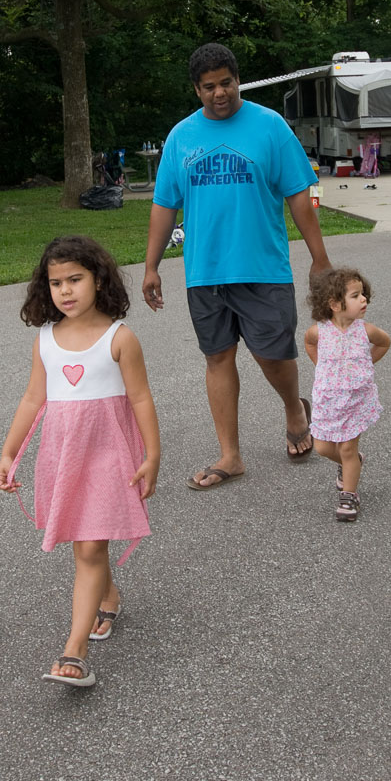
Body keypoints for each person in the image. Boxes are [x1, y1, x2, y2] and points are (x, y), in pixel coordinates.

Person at [142, 42, 331, 490]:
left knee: (273, 355)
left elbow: (299, 196)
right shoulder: (181, 137)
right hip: (205, 272)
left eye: (226, 82)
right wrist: (152, 266)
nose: (219, 93)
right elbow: (164, 205)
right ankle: (231, 454)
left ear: (237, 79)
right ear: (197, 89)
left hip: (262, 267)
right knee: (217, 357)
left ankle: (293, 409)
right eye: (209, 87)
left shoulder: (270, 126)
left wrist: (319, 258)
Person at [0, 236, 160, 688]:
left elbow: (141, 398)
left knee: (89, 547)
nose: (65, 291)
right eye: (55, 283)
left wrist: (153, 454)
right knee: (83, 541)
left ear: (99, 279)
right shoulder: (45, 340)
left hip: (110, 455)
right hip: (65, 458)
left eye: (75, 279)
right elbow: (33, 399)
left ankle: (75, 651)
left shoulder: (119, 338)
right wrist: (10, 453)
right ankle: (108, 595)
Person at [304, 268, 391, 522]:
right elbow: (309, 343)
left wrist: (365, 364)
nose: (363, 299)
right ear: (334, 304)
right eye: (355, 296)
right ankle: (351, 461)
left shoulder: (365, 330)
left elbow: (385, 342)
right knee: (321, 447)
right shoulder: (319, 332)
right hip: (327, 401)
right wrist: (320, 365)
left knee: (348, 448)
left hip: (355, 400)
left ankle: (349, 494)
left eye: (363, 294)